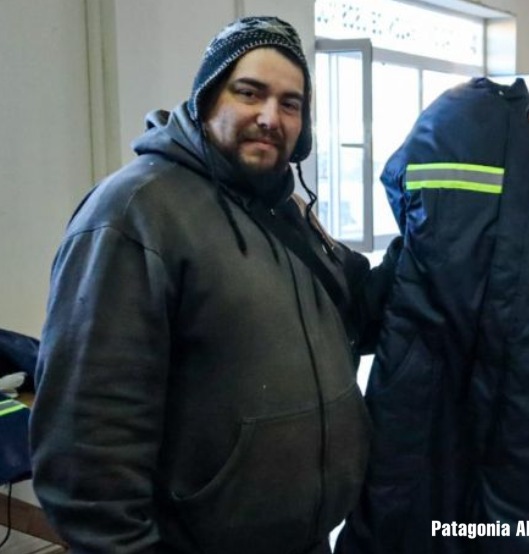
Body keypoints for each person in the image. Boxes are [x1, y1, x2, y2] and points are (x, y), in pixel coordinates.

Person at [30, 16, 397, 553]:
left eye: (290, 103)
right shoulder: (135, 214)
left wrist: (442, 223)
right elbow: (85, 448)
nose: (270, 117)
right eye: (249, 92)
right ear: (206, 98)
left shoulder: (286, 209)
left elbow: (359, 312)